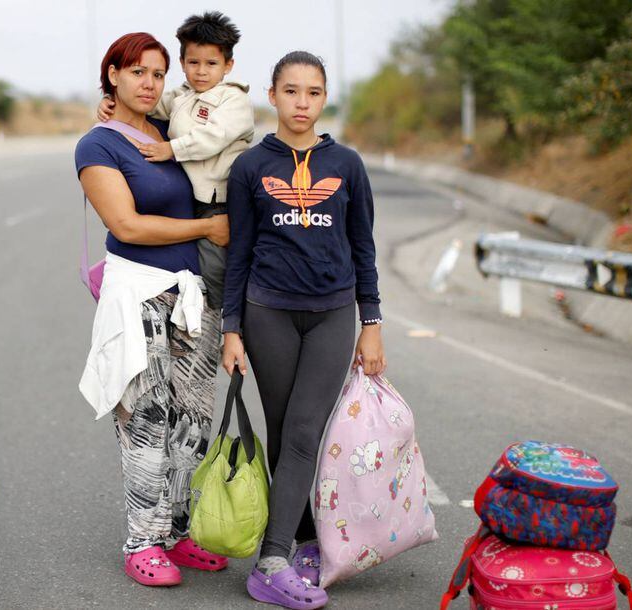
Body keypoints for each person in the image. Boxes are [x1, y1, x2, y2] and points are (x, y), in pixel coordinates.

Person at [221, 51, 386, 610]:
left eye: (312, 92)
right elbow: (238, 252)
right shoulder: (248, 167)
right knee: (284, 431)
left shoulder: (347, 165)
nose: (301, 103)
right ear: (272, 95)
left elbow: (362, 247)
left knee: (303, 432)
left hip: (332, 315)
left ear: (324, 98)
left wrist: (372, 324)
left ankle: (271, 560)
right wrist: (231, 328)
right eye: (291, 91)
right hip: (267, 311)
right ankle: (306, 541)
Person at [75, 32, 231, 588]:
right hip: (137, 291)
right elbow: (127, 225)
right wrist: (208, 227)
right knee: (144, 418)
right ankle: (142, 539)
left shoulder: (171, 134)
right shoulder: (98, 146)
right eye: (137, 71)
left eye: (159, 74)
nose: (150, 83)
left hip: (192, 295)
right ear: (112, 75)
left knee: (192, 418)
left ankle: (177, 531)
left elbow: (225, 136)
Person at [98, 11, 255, 312]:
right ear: (183, 64)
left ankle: (231, 323)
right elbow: (149, 102)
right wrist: (110, 101)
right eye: (193, 63)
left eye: (211, 64)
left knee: (216, 270)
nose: (201, 71)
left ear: (228, 66)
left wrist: (172, 149)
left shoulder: (232, 100)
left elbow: (214, 136)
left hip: (220, 201)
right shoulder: (181, 96)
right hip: (196, 205)